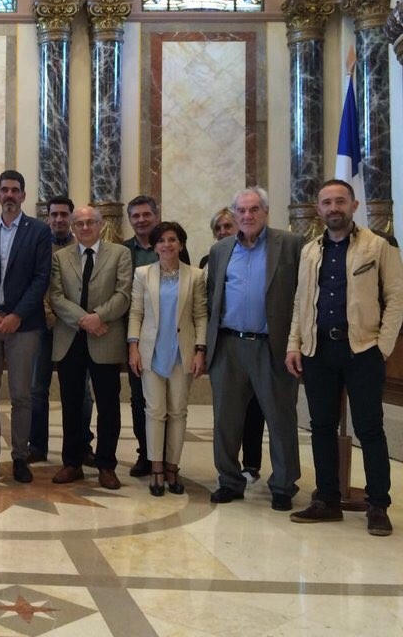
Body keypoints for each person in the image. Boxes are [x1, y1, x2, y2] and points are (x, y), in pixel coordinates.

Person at [286, 180, 403, 536]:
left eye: (340, 201)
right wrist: (294, 343)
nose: (333, 207)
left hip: (362, 350)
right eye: (326, 202)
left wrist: (381, 347)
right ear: (318, 209)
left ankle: (378, 504)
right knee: (321, 427)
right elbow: (300, 301)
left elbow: (396, 298)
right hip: (319, 350)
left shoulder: (377, 247)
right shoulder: (310, 252)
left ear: (353, 206)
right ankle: (327, 499)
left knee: (369, 428)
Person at [206, 186, 303, 511]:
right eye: (242, 211)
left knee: (280, 419)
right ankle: (229, 481)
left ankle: (283, 485)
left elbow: (302, 297)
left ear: (265, 212)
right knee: (226, 420)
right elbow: (212, 298)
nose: (247, 216)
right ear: (234, 215)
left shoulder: (290, 245)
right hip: (229, 346)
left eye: (254, 210)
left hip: (271, 346)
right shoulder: (220, 250)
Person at [0, 170, 52, 483]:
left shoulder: (39, 232)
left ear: (24, 195)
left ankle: (20, 457)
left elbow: (41, 277)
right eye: (5, 190)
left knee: (21, 395)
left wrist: (16, 314)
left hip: (25, 325)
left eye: (16, 190)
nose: (10, 195)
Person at [49, 206, 132, 490]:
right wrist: (85, 321)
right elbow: (56, 297)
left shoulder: (120, 254)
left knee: (108, 405)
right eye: (79, 223)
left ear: (100, 225)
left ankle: (106, 465)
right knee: (71, 405)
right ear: (72, 227)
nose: (85, 227)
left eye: (90, 222)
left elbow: (124, 294)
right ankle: (71, 462)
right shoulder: (60, 257)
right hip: (71, 338)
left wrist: (99, 316)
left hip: (106, 336)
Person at [127, 221, 207, 496]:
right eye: (161, 241)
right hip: (151, 351)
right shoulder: (142, 274)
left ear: (181, 244)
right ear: (154, 246)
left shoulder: (195, 276)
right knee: (154, 411)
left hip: (181, 352)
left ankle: (173, 467)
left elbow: (200, 315)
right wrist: (133, 347)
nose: (166, 245)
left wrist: (200, 350)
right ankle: (157, 468)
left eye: (172, 240)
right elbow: (136, 312)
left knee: (178, 412)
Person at [122, 195, 190, 477]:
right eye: (135, 216)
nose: (141, 220)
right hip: (137, 337)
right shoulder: (123, 251)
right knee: (141, 401)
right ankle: (146, 454)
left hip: (174, 342)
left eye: (146, 214)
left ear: (156, 214)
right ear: (130, 220)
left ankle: (166, 459)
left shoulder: (175, 249)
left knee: (173, 406)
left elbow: (187, 296)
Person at [203, 207, 266, 485]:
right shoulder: (211, 259)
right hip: (225, 343)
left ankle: (251, 463)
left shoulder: (260, 253)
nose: (222, 232)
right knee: (227, 414)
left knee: (255, 408)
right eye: (217, 228)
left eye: (227, 226)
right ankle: (228, 473)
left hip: (259, 342)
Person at [29, 196, 92, 464]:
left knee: (83, 392)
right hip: (42, 327)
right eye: (53, 214)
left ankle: (82, 444)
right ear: (47, 217)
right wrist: (47, 314)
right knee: (37, 388)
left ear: (71, 218)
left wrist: (69, 318)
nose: (58, 219)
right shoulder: (38, 246)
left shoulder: (82, 248)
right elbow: (37, 283)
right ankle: (37, 446)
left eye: (63, 215)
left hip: (74, 328)